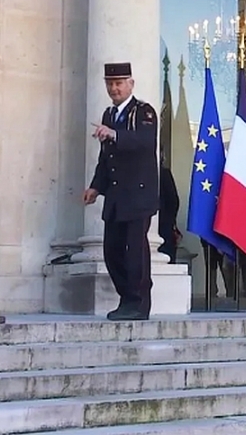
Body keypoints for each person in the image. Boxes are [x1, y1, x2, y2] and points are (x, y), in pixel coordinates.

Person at [83, 62, 159, 321]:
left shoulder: (144, 112)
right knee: (112, 251)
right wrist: (95, 186)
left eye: (119, 83)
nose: (114, 89)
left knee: (136, 252)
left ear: (131, 84)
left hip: (138, 196)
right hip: (116, 197)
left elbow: (145, 142)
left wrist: (115, 134)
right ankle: (125, 299)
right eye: (110, 84)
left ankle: (138, 304)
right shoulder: (109, 114)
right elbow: (105, 158)